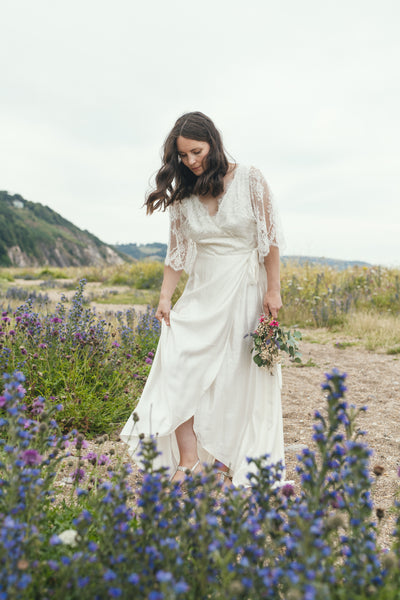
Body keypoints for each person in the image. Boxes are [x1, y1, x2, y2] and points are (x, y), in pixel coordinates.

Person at [120, 111, 286, 487]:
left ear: (213, 142)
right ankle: (189, 459)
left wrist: (273, 289)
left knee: (236, 374)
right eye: (183, 156)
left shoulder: (249, 178)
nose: (191, 161)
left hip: (245, 286)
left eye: (196, 151)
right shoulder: (183, 197)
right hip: (202, 289)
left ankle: (230, 464)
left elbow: (269, 239)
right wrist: (165, 297)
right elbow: (176, 252)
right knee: (177, 365)